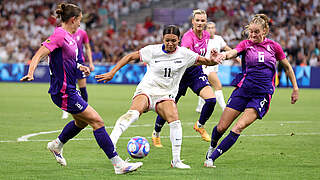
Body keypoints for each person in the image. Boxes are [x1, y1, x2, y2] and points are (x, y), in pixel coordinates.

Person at [20, 3, 142, 174]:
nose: (80, 24)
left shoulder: (71, 38)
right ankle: (118, 164)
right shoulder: (59, 35)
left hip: (70, 89)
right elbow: (39, 54)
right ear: (73, 19)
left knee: (81, 122)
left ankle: (57, 145)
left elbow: (67, 60)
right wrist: (31, 72)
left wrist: (80, 67)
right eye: (79, 20)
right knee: (97, 121)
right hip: (63, 92)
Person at [95, 25, 220, 169]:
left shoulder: (185, 54)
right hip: (147, 90)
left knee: (175, 120)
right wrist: (112, 72)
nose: (170, 43)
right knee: (133, 114)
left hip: (166, 95)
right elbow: (130, 57)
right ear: (163, 39)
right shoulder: (152, 50)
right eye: (167, 40)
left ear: (179, 40)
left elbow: (204, 61)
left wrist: (213, 59)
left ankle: (176, 161)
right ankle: (111, 144)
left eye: (173, 40)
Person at [203, 14, 299, 168]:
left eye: (256, 31)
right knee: (221, 127)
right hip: (243, 91)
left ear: (265, 31)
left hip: (261, 95)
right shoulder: (246, 44)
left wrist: (295, 88)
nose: (253, 35)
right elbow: (232, 52)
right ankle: (212, 146)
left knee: (238, 127)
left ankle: (211, 159)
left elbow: (287, 67)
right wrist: (222, 55)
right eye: (251, 31)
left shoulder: (274, 47)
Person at [152, 9, 217, 147]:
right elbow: (186, 58)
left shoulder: (206, 35)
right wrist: (207, 60)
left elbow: (199, 55)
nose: (200, 23)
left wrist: (209, 56)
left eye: (202, 20)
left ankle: (200, 125)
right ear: (192, 21)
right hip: (181, 74)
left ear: (206, 22)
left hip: (196, 73)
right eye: (197, 20)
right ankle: (156, 133)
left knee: (211, 100)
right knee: (169, 106)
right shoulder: (188, 37)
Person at [196, 21, 240, 113]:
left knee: (205, 86)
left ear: (215, 29)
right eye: (209, 28)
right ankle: (225, 108)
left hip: (214, 67)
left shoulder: (218, 39)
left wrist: (236, 55)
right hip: (206, 67)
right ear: (205, 30)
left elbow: (226, 48)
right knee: (218, 86)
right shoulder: (203, 40)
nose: (211, 30)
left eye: (212, 28)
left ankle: (200, 107)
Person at [62, 28, 95, 119]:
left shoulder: (82, 33)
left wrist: (91, 63)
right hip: (68, 62)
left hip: (80, 62)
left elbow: (87, 47)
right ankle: (65, 111)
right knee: (68, 87)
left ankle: (85, 109)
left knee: (82, 88)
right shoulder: (64, 33)